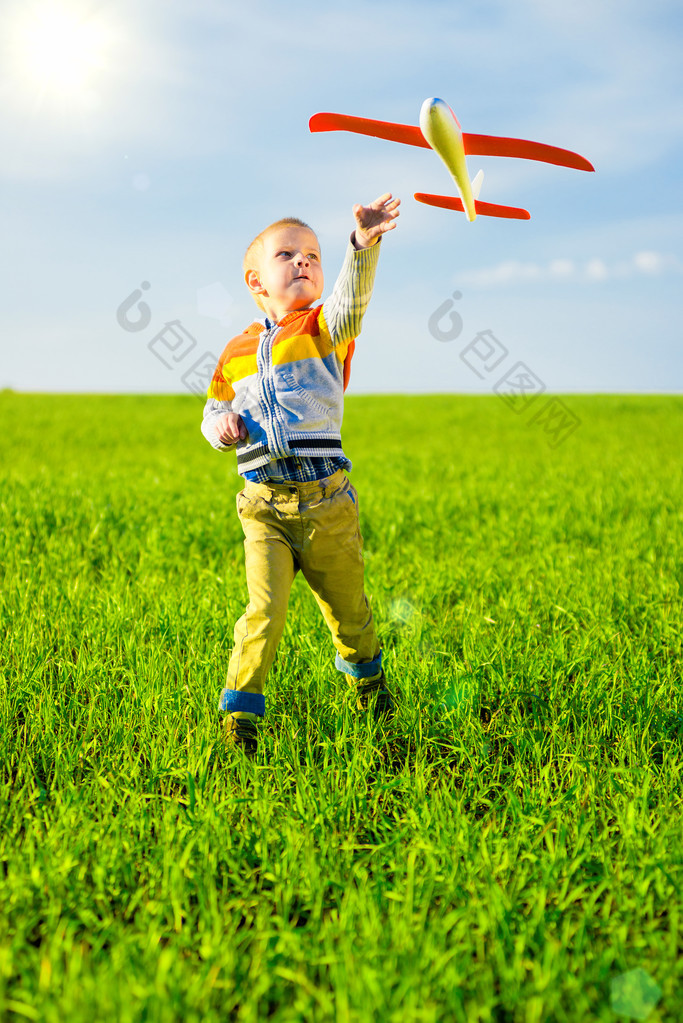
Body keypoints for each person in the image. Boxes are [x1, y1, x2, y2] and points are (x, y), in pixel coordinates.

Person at [201, 193, 400, 755]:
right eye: (287, 255)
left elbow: (350, 302)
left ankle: (369, 685)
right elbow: (213, 410)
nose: (304, 262)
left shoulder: (324, 328)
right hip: (263, 506)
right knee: (262, 612)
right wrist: (222, 427)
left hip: (325, 503)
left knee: (349, 615)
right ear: (256, 280)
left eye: (312, 255)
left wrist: (361, 246)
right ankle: (240, 719)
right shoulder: (236, 350)